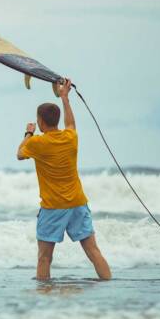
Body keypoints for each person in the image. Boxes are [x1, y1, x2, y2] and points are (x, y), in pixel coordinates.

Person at [17, 78, 112, 281]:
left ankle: (44, 293)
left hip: (53, 207)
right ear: (56, 120)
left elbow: (19, 154)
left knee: (44, 258)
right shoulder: (71, 137)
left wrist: (28, 132)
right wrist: (65, 97)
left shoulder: (37, 143)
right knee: (93, 252)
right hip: (78, 203)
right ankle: (109, 286)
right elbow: (71, 123)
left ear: (41, 121)